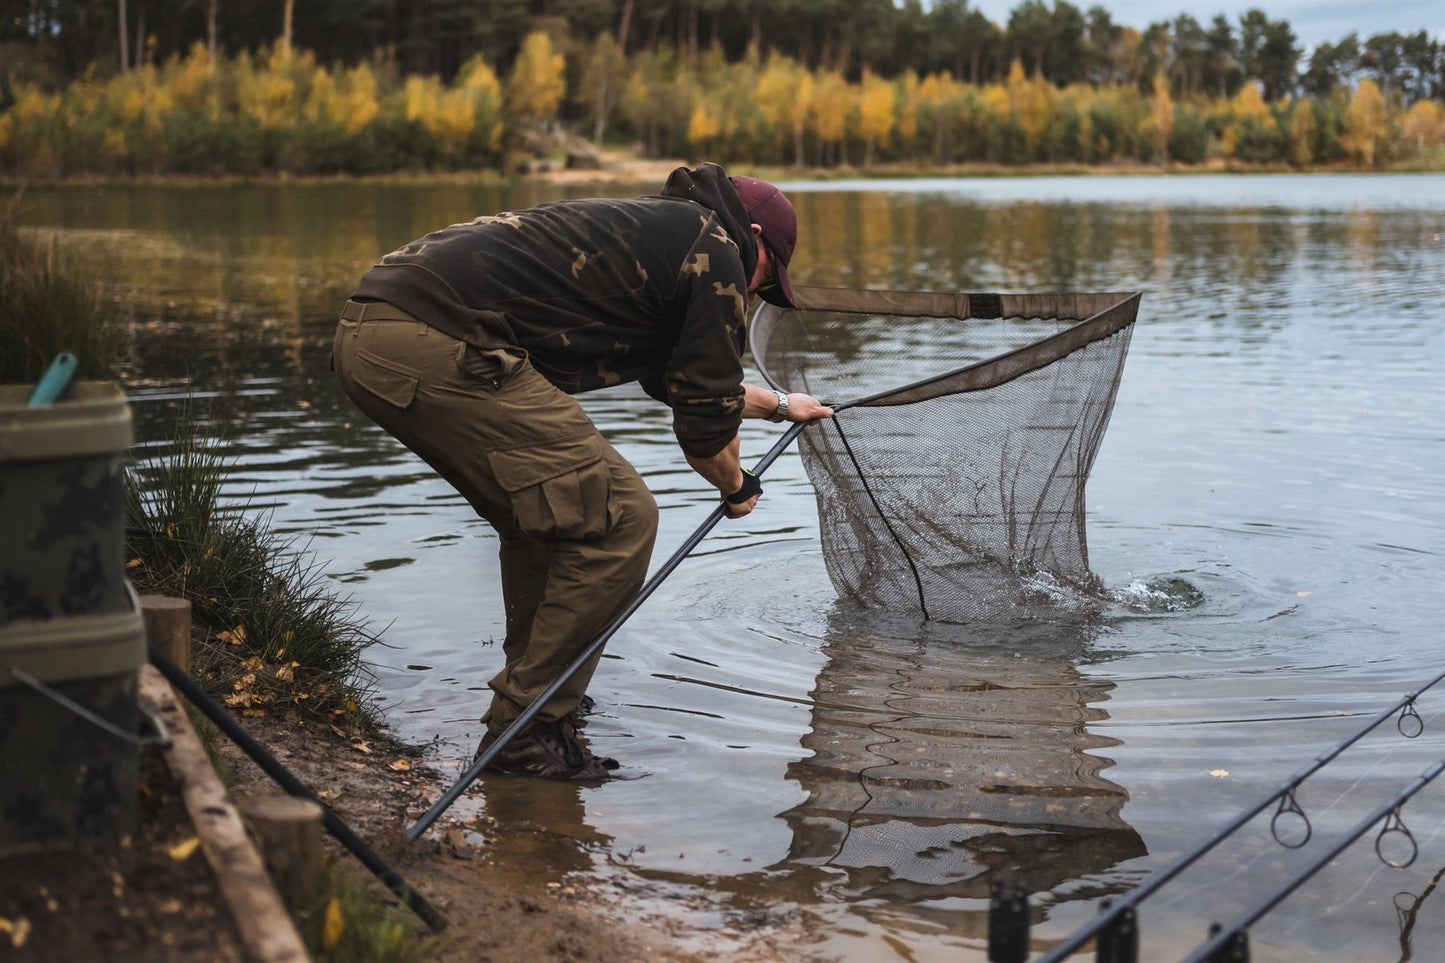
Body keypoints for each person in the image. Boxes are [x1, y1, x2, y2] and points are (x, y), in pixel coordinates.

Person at [332, 163, 832, 780]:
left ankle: (537, 693)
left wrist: (783, 406)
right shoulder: (718, 252)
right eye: (766, 276)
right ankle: (528, 727)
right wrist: (736, 486)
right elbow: (705, 433)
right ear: (754, 235)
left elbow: (694, 383)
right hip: (436, 340)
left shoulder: (666, 233)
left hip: (372, 334)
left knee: (546, 518)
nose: (756, 292)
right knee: (620, 516)